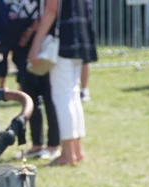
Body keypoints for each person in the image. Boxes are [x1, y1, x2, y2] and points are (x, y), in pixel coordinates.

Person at [28, 0, 95, 167]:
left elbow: (51, 9)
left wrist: (35, 45)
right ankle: (77, 150)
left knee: (63, 96)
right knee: (73, 94)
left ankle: (67, 153)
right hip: (79, 38)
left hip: (63, 41)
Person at [7, 0, 59, 160]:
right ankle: (37, 144)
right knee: (30, 96)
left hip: (39, 47)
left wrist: (29, 35)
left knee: (49, 96)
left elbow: (45, 14)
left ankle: (53, 144)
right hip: (22, 50)